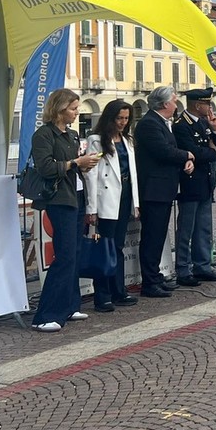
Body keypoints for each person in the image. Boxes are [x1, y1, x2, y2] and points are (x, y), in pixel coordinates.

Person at [30, 88, 101, 331]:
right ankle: (46, 314)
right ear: (59, 109)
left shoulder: (71, 135)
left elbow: (71, 166)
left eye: (77, 108)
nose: (76, 112)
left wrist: (84, 164)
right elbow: (46, 168)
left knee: (75, 252)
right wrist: (75, 163)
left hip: (76, 195)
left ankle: (70, 305)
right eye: (73, 108)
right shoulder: (43, 135)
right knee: (66, 255)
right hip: (59, 200)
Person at [134, 86, 194, 298]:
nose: (176, 105)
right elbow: (162, 151)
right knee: (152, 236)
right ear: (165, 103)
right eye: (174, 101)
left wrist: (185, 161)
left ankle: (155, 277)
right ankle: (150, 281)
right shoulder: (149, 124)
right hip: (154, 189)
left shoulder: (160, 123)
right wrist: (186, 155)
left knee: (158, 236)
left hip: (163, 188)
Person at [83, 99, 140, 313]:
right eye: (119, 118)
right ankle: (102, 295)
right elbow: (91, 175)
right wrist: (92, 208)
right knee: (104, 248)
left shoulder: (127, 140)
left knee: (118, 246)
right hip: (106, 198)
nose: (123, 122)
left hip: (124, 196)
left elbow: (132, 172)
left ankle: (119, 290)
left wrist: (136, 202)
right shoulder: (97, 140)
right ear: (110, 118)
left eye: (126, 118)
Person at [173, 88, 216, 285]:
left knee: (203, 228)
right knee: (186, 229)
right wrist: (211, 152)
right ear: (197, 105)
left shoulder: (204, 123)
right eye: (207, 104)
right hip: (190, 182)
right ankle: (183, 269)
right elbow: (194, 152)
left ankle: (202, 265)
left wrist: (215, 130)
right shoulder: (182, 125)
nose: (209, 107)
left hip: (204, 181)